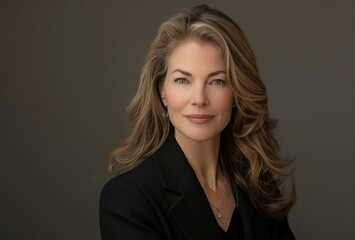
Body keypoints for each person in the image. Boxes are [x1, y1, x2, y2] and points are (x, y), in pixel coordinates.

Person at [100, 4, 296, 240]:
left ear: (237, 92)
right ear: (162, 91)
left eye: (217, 81)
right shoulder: (128, 199)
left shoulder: (258, 184)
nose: (199, 99)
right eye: (183, 80)